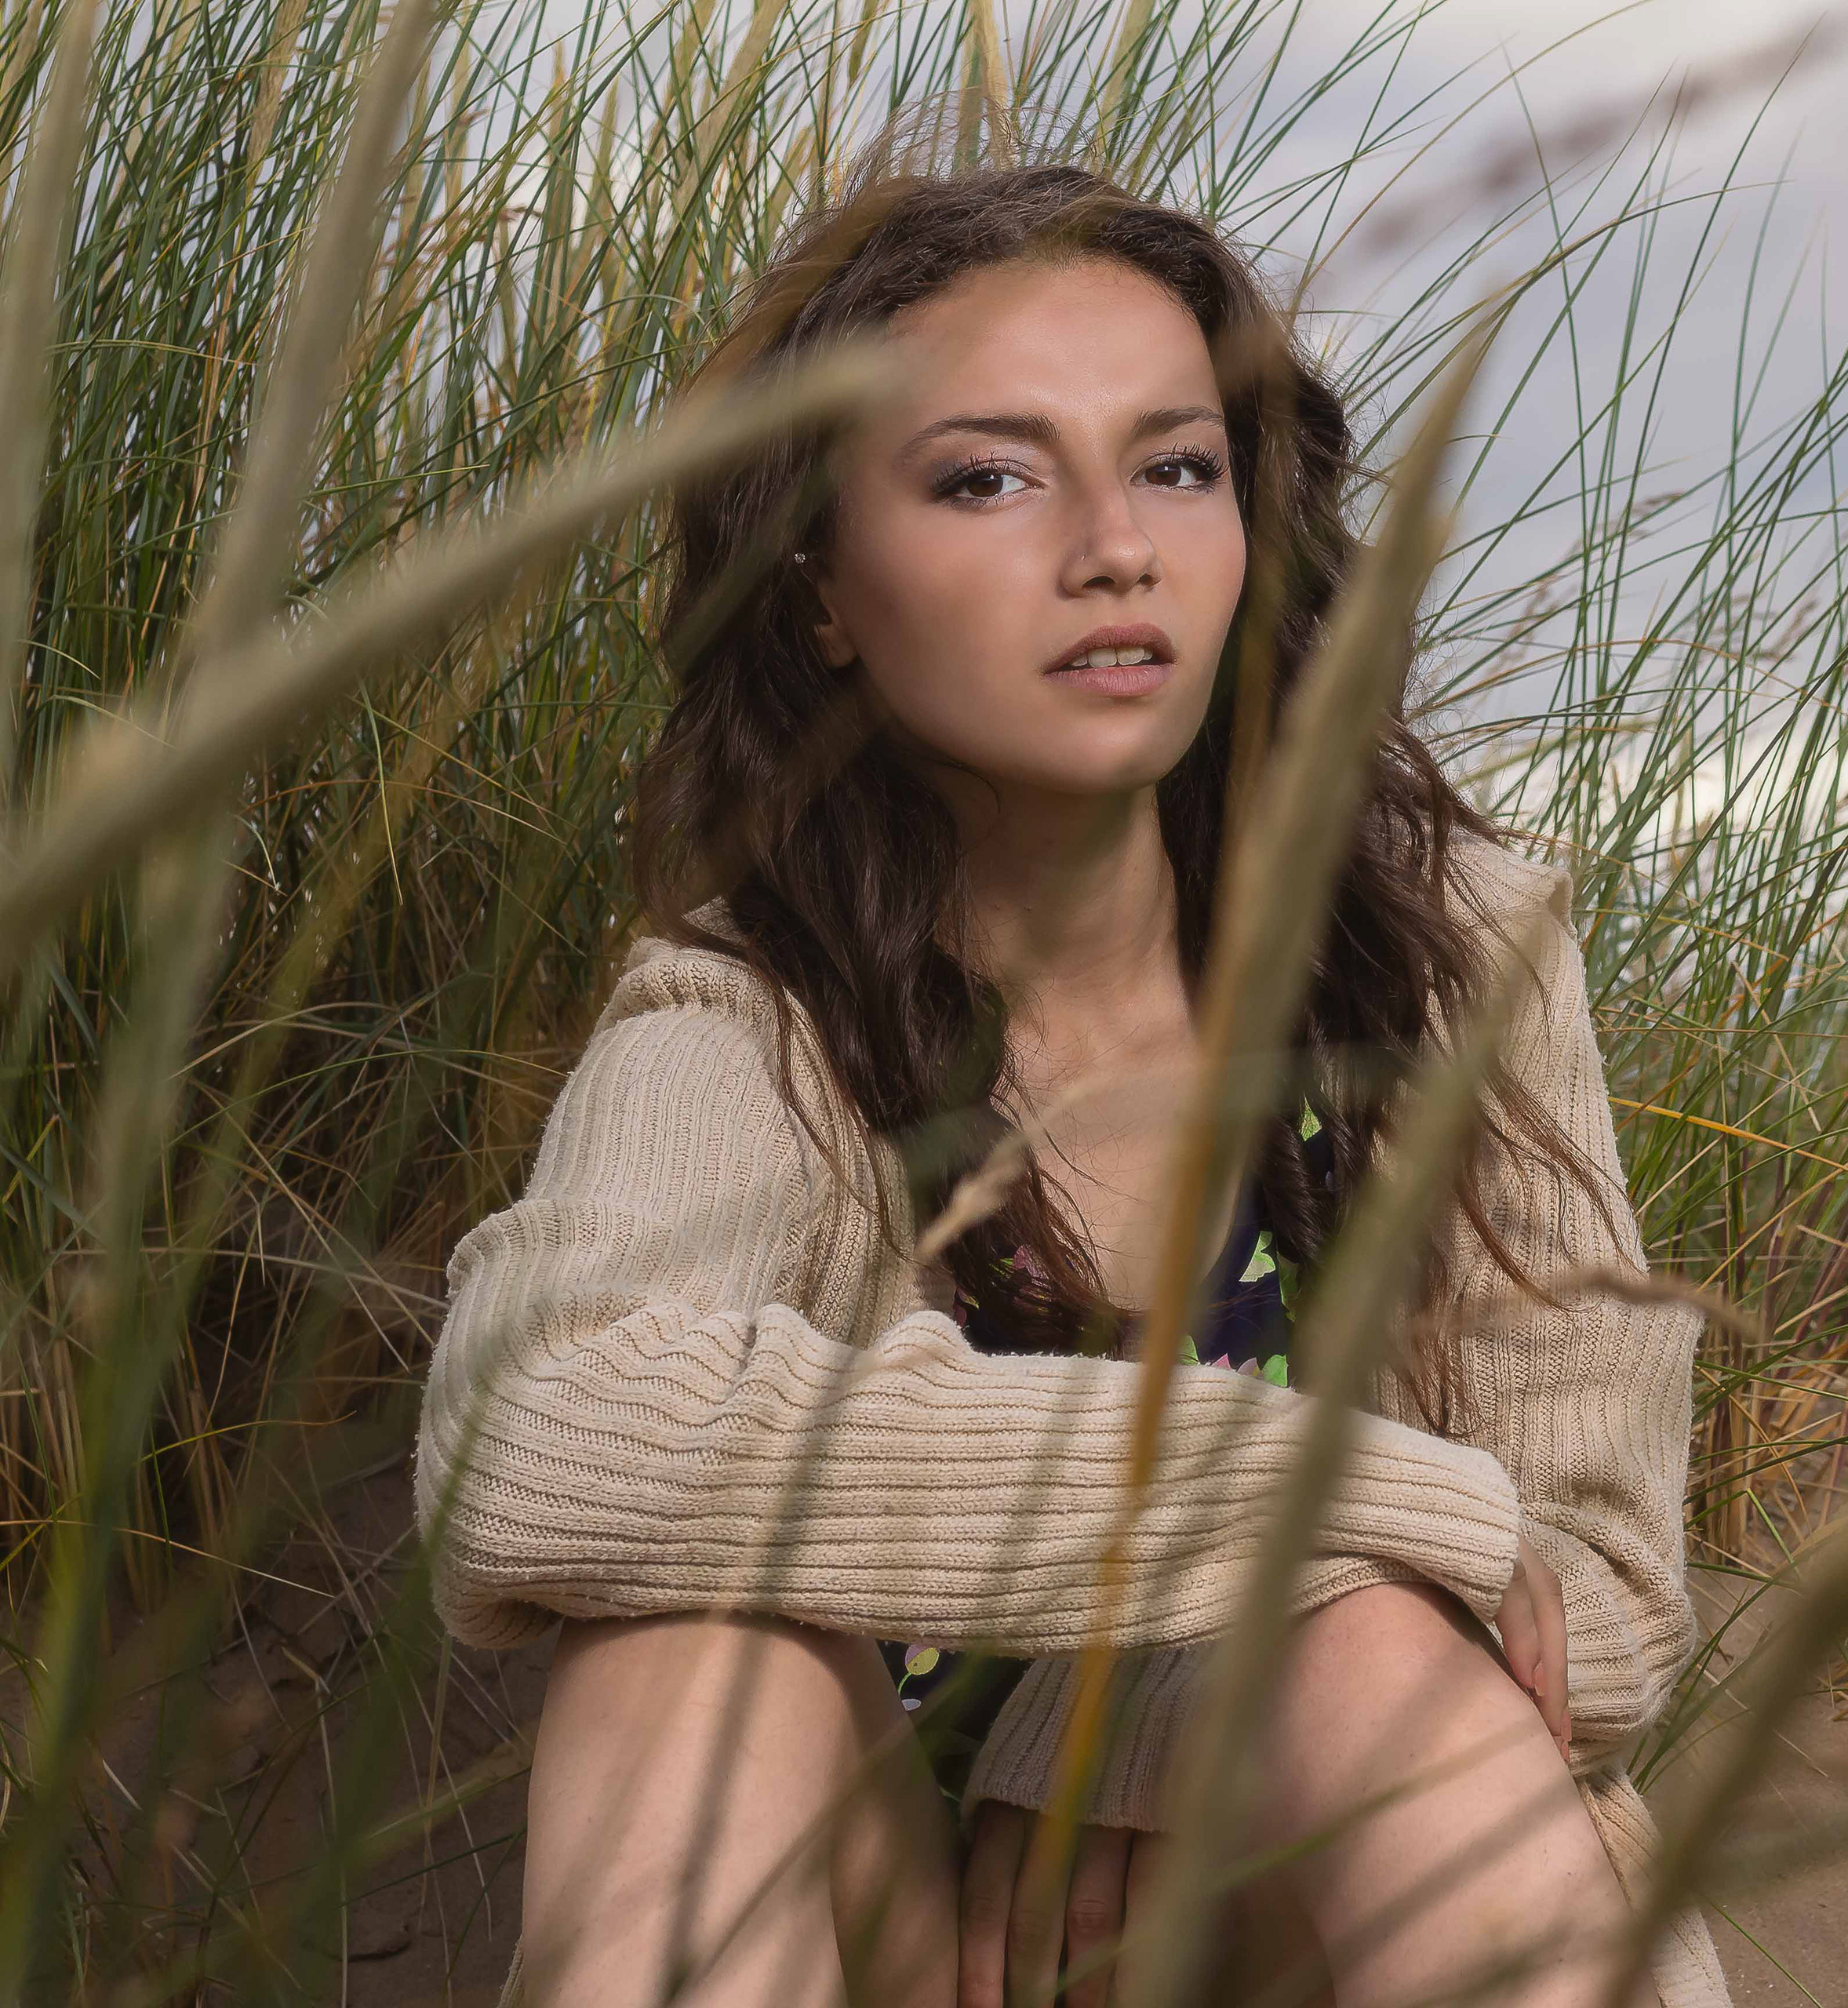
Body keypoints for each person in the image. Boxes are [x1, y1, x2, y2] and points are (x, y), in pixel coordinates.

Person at [409, 128, 1725, 2008]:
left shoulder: (1458, 953)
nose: (1115, 547)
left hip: (1294, 1917)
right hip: (898, 1941)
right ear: (817, 594)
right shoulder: (749, 1007)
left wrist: (1126, 1721)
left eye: (1178, 466)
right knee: (687, 1663)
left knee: (1347, 1640)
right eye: (989, 476)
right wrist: (1291, 1484)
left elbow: (1599, 1588)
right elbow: (531, 1428)